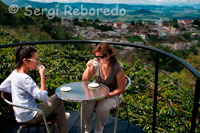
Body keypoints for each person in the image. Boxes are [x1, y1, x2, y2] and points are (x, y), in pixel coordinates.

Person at [0, 46, 69, 133]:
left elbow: (2, 87)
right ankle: (62, 120)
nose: (37, 62)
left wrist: (18, 93)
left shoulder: (14, 73)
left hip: (20, 115)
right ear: (25, 61)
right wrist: (42, 75)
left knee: (59, 109)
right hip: (31, 115)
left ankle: (61, 118)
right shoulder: (25, 78)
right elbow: (43, 97)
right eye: (35, 60)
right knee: (58, 97)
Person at [82, 43, 127, 133]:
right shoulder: (97, 64)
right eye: (96, 56)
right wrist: (88, 68)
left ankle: (99, 130)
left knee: (102, 108)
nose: (98, 59)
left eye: (101, 57)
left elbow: (121, 89)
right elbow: (85, 80)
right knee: (87, 103)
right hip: (98, 93)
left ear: (109, 55)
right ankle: (87, 129)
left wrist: (106, 96)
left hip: (114, 94)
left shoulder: (117, 68)